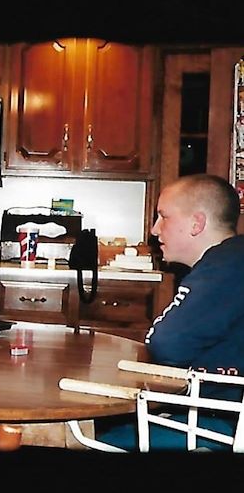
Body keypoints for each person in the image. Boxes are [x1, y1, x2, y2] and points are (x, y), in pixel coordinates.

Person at [97, 173, 244, 450]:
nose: (154, 229)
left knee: (84, 440)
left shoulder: (224, 267)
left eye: (163, 216)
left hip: (222, 427)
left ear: (196, 223)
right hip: (216, 413)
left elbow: (165, 342)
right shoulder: (231, 260)